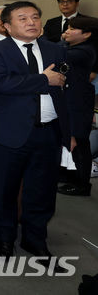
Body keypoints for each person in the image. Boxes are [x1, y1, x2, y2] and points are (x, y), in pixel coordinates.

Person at [0, 1, 70, 272]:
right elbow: (3, 84)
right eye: (23, 18)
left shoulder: (55, 49)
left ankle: (36, 240)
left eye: (35, 17)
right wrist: (44, 79)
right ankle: (5, 238)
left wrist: (71, 132)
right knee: (7, 191)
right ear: (7, 26)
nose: (31, 22)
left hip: (49, 132)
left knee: (42, 192)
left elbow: (66, 85)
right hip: (11, 134)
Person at [57, 16, 98, 196]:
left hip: (79, 102)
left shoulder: (86, 50)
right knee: (71, 139)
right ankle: (71, 178)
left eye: (72, 29)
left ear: (87, 34)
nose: (67, 31)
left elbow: (59, 55)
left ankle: (82, 185)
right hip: (72, 100)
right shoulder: (73, 47)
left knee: (80, 142)